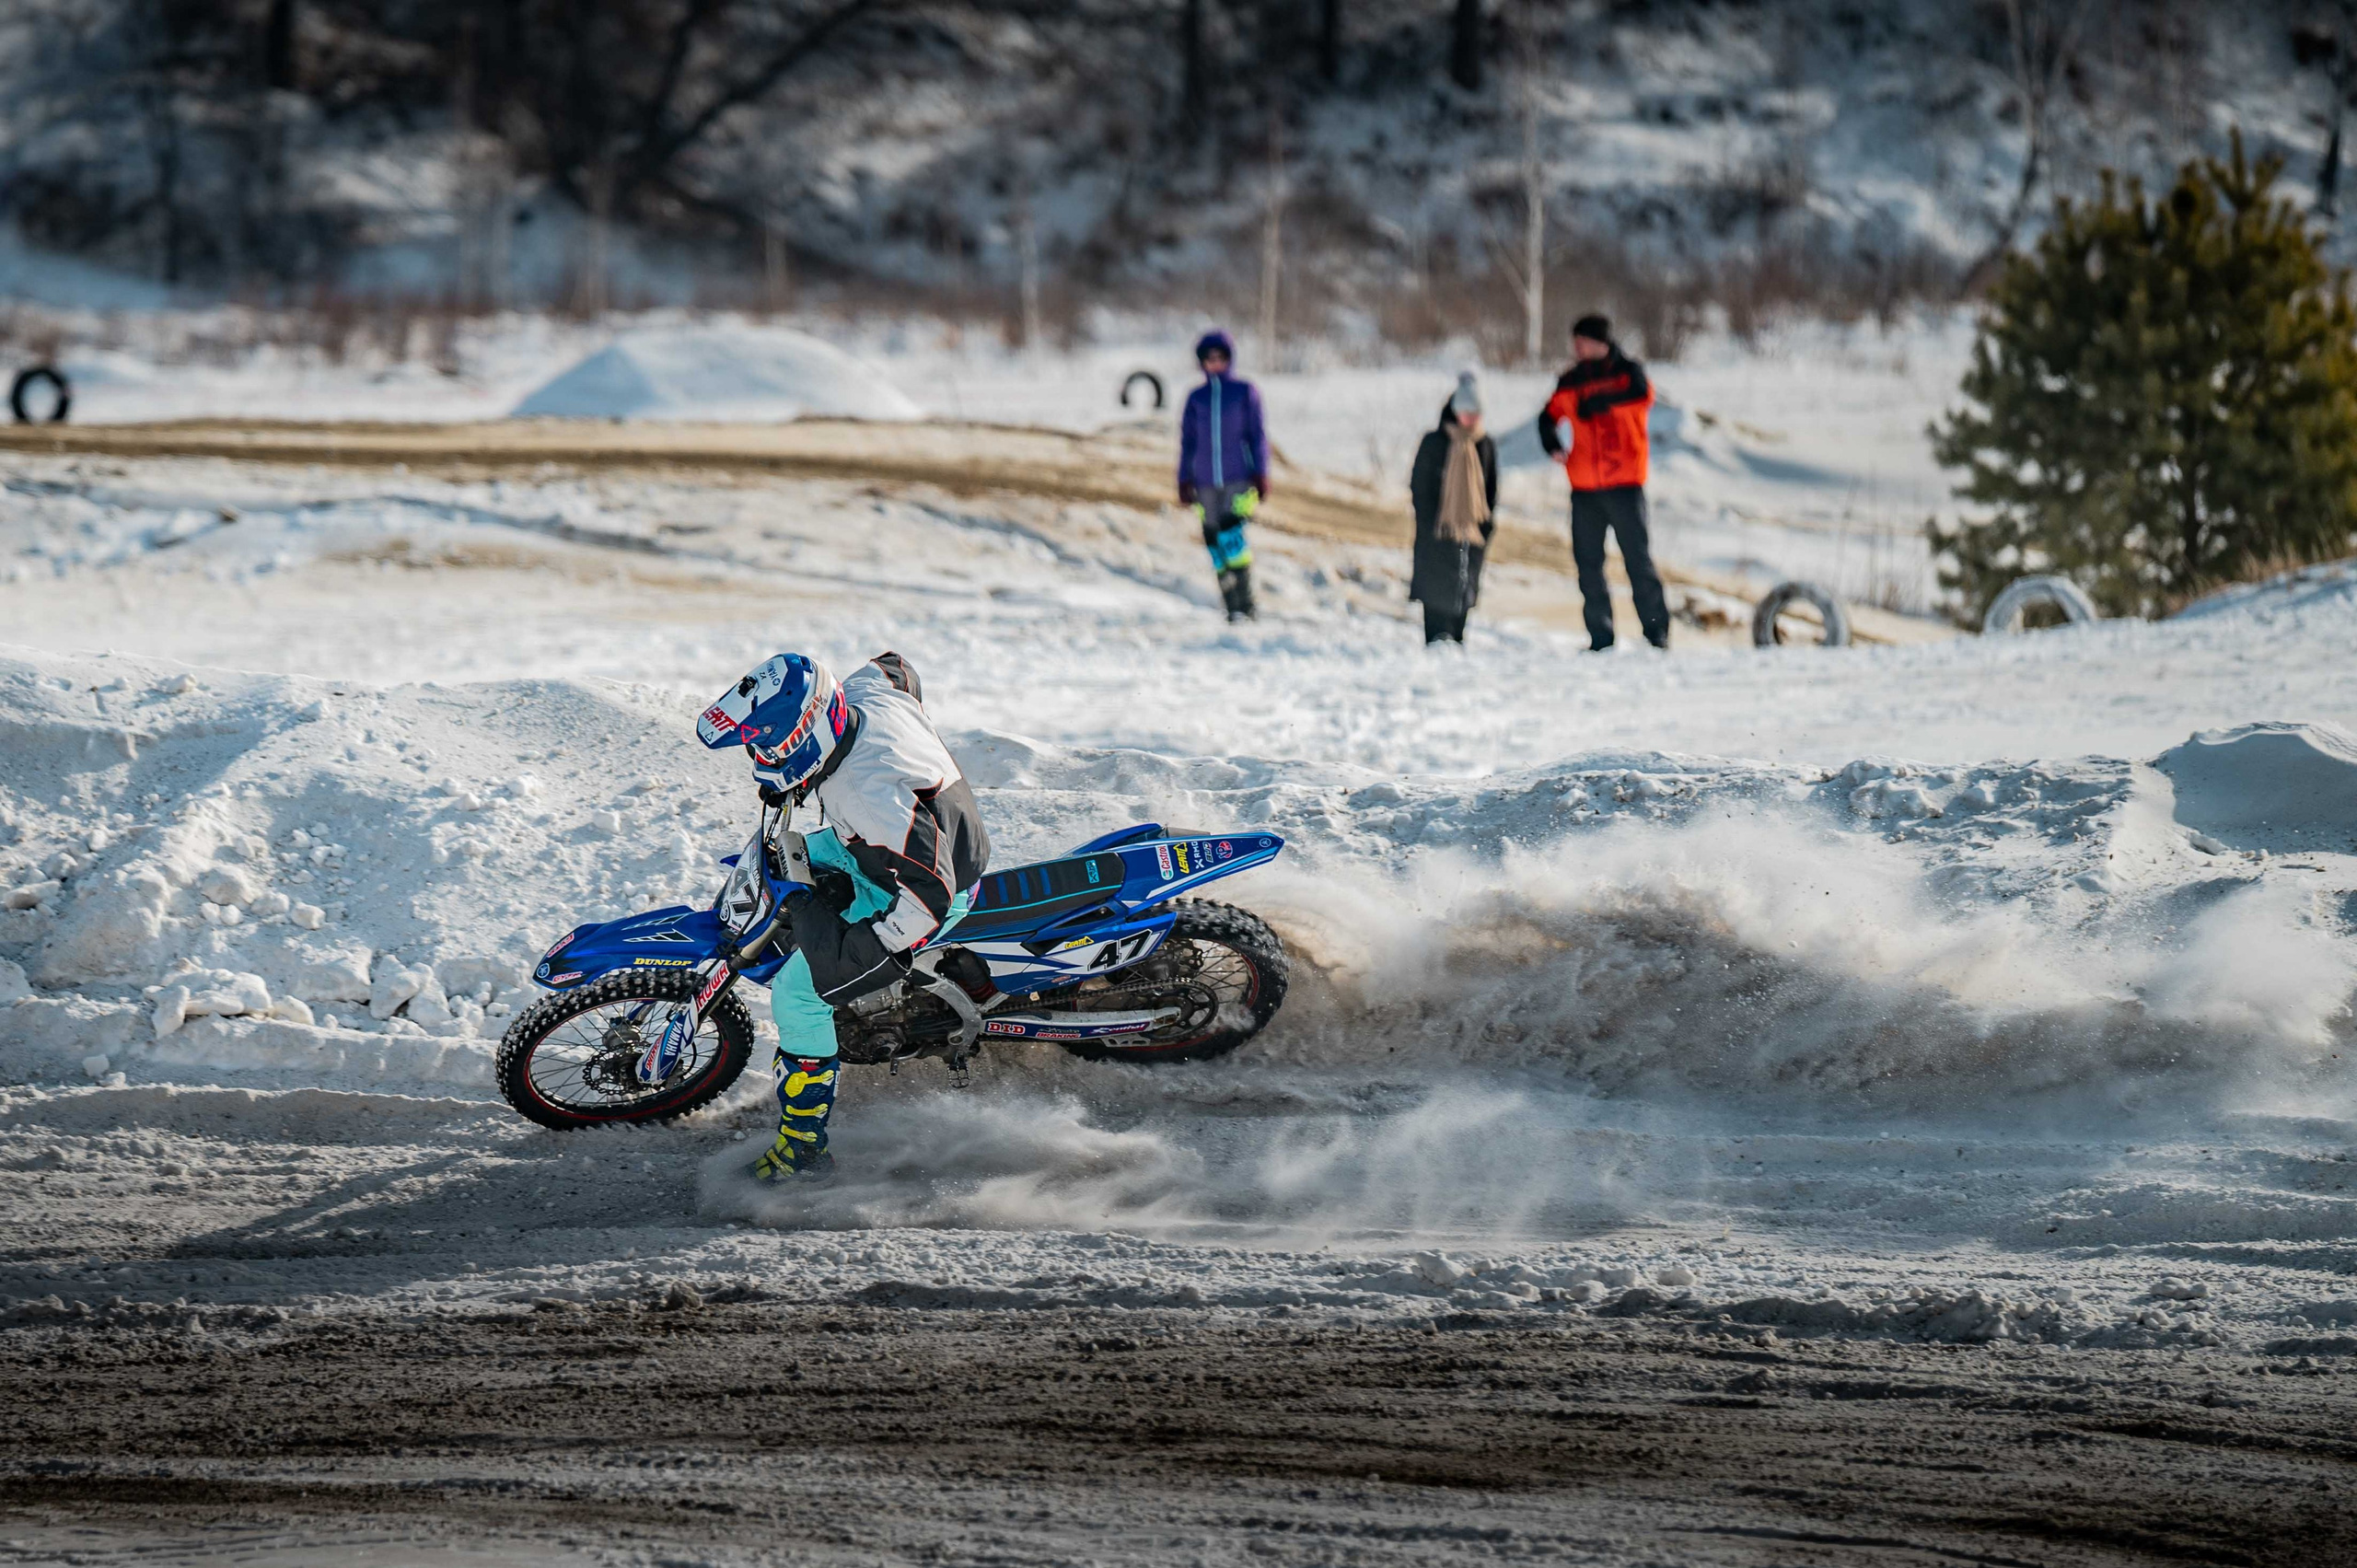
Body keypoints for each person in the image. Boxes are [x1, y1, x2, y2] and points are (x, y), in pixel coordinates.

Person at [697, 650, 990, 1185]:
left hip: (922, 890)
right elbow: (896, 667)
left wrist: (876, 944)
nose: (761, 755)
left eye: (767, 745)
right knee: (795, 861)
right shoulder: (862, 695)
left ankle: (803, 1152)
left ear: (805, 736)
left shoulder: (868, 793)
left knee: (799, 995)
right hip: (887, 849)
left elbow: (934, 895)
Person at [1538, 314, 1669, 650]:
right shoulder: (1570, 381)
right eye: (1575, 342)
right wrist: (1552, 444)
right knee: (1589, 566)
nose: (1576, 347)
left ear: (1600, 342)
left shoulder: (1628, 374)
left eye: (1581, 341)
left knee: (1638, 564)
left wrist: (1602, 404)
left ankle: (1657, 636)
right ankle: (1601, 639)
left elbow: (1644, 396)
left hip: (1625, 486)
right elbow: (1547, 417)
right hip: (1584, 491)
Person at [1176, 329, 1270, 621]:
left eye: (1220, 357)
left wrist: (1261, 472)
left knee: (1233, 535)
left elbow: (1257, 436)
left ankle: (1246, 602)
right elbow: (1187, 442)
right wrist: (1183, 478)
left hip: (1238, 477)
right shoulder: (1196, 398)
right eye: (1209, 358)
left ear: (1229, 359)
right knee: (1214, 539)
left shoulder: (1243, 392)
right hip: (1204, 480)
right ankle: (1230, 604)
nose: (1214, 363)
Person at [1408, 371, 1498, 645]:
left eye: (1476, 414)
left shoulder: (1484, 444)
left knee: (1464, 584)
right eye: (1467, 413)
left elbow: (1491, 489)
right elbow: (1419, 487)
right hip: (1437, 530)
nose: (1471, 420)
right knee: (1436, 588)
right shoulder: (1434, 442)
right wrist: (1431, 522)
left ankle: (1459, 637)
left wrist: (1484, 526)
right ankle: (1434, 638)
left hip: (1471, 533)